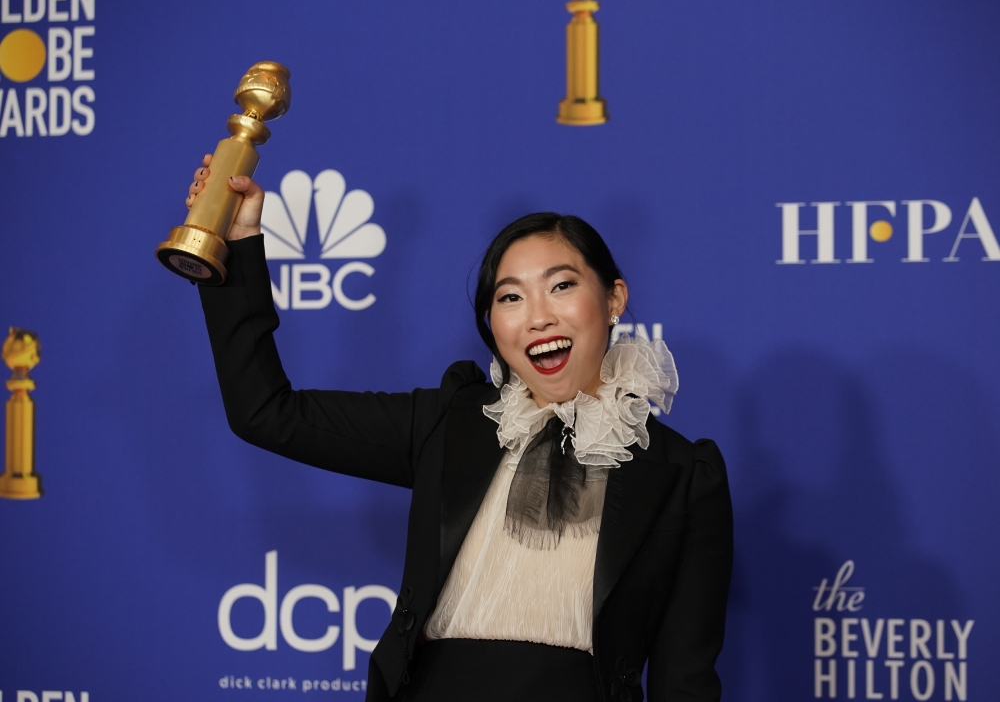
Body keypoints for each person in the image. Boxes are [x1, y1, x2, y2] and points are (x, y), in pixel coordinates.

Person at [187, 157, 733, 702]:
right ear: (493, 326)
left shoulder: (684, 476)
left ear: (613, 299)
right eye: (510, 297)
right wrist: (235, 247)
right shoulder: (447, 424)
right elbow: (266, 411)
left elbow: (684, 680)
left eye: (561, 286)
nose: (537, 316)